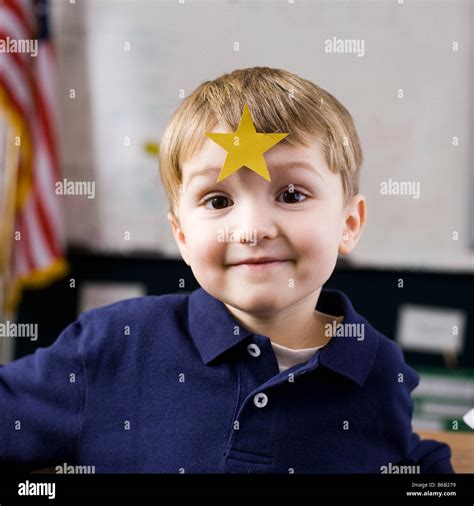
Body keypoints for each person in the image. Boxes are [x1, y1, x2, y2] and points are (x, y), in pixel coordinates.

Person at [0, 67, 453, 473]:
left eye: (292, 195)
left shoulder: (377, 367)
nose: (253, 229)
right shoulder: (112, 344)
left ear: (348, 224)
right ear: (181, 236)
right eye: (218, 201)